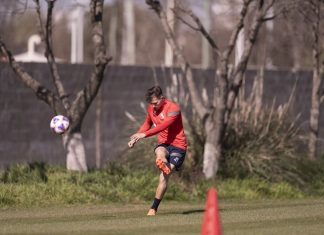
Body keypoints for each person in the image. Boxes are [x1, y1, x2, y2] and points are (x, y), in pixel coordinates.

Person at [128, 85, 187, 216]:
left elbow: (163, 126)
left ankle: (154, 207)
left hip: (179, 146)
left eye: (155, 103)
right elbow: (147, 123)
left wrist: (145, 135)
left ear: (162, 98)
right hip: (164, 144)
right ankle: (152, 210)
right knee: (160, 151)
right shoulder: (151, 109)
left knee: (164, 177)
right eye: (151, 104)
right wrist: (137, 136)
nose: (153, 106)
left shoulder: (173, 108)